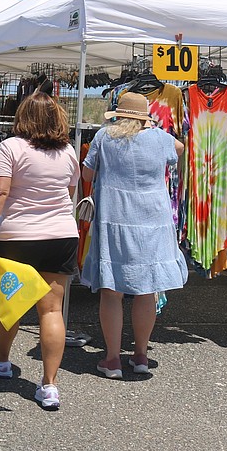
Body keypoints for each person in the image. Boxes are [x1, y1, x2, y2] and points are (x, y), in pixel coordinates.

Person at [0, 92, 80, 411]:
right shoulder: (68, 151)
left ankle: (3, 360)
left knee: (11, 305)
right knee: (51, 310)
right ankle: (49, 386)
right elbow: (71, 191)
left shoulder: (11, 147)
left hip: (19, 235)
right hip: (61, 234)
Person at [80, 92, 187, 378]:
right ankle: (140, 355)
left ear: (118, 114)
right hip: (153, 220)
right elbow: (179, 148)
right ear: (144, 117)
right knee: (146, 290)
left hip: (116, 217)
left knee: (111, 290)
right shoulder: (160, 138)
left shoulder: (104, 136)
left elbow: (87, 175)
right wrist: (154, 131)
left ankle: (112, 359)